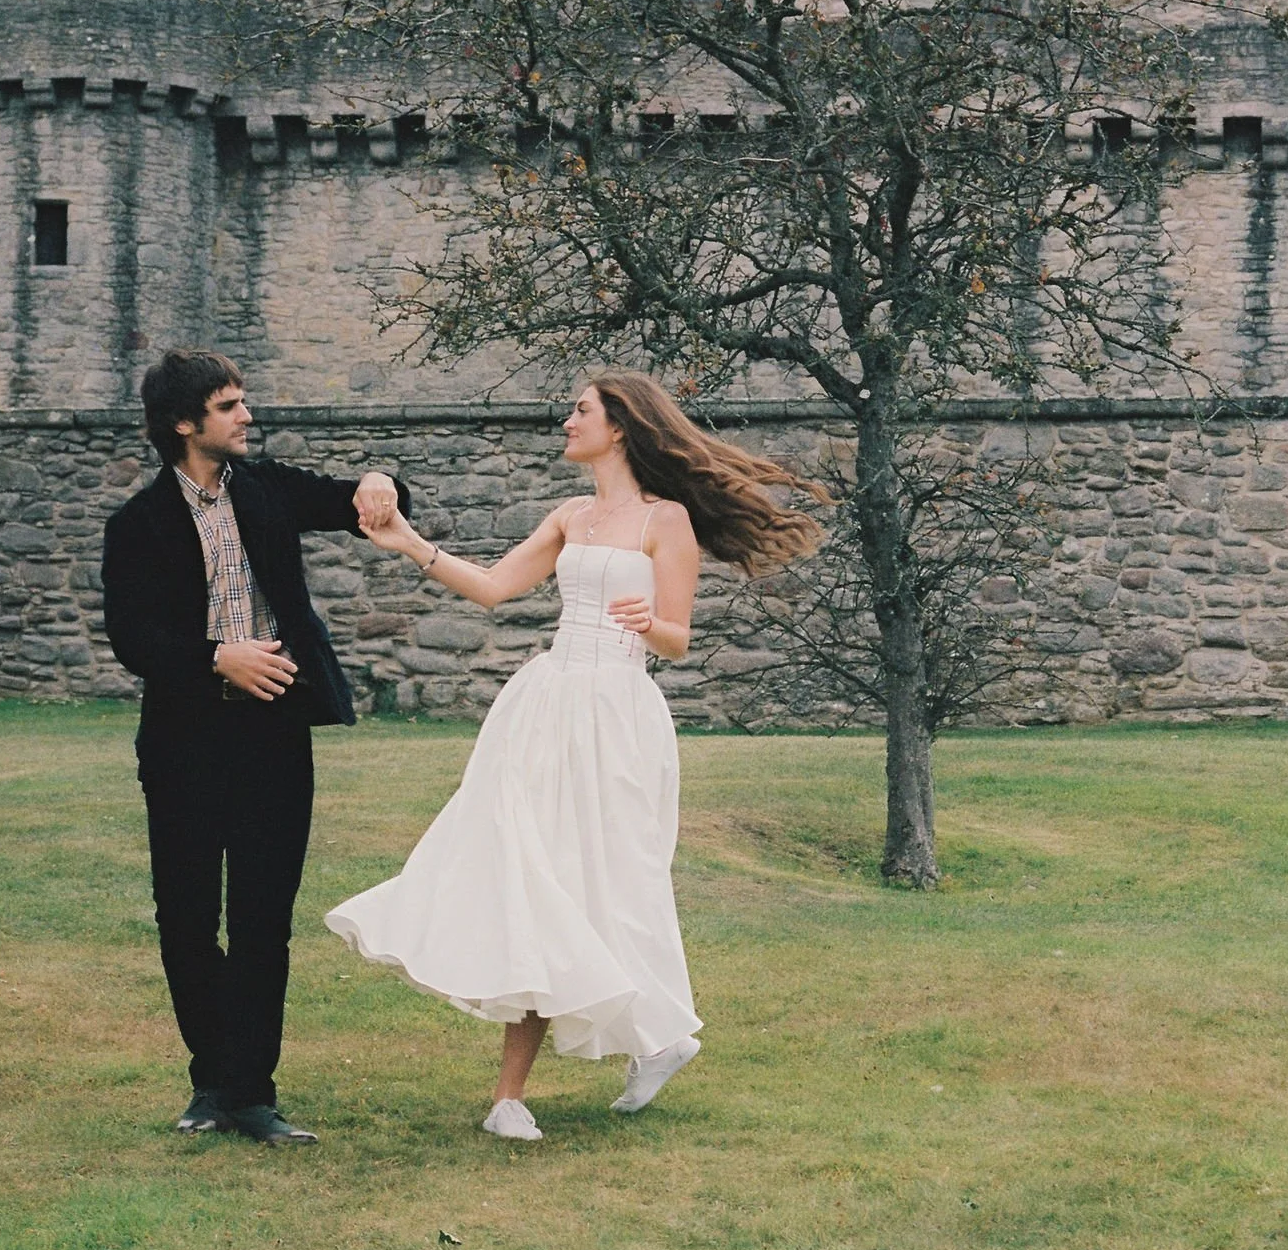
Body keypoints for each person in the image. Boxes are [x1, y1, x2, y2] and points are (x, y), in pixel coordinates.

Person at [326, 371, 819, 1139]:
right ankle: (508, 1099)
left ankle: (661, 1037)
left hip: (618, 713)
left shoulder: (668, 521)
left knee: (617, 884)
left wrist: (647, 620)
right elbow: (494, 589)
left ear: (619, 426)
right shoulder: (570, 514)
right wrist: (408, 543)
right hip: (546, 705)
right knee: (531, 876)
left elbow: (678, 641)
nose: (566, 420)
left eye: (579, 410)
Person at [101, 349, 406, 1145]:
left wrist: (382, 482)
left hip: (274, 733)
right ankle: (212, 1081)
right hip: (184, 739)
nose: (246, 416)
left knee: (264, 918)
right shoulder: (137, 524)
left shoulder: (267, 490)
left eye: (242, 403)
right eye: (230, 406)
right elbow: (132, 637)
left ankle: (252, 1093)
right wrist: (215, 656)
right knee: (188, 917)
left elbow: (359, 503)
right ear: (184, 423)